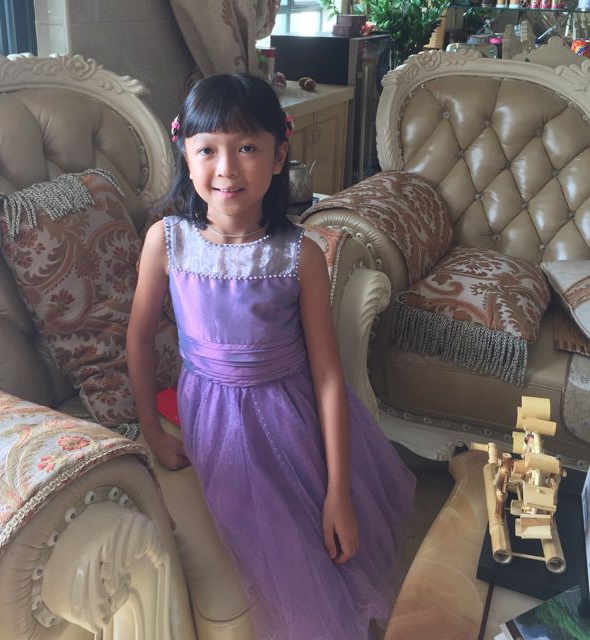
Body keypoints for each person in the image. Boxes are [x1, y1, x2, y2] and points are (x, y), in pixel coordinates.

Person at [127, 72, 415, 640]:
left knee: (311, 543)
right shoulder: (166, 240)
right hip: (211, 415)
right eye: (208, 150)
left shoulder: (300, 254)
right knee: (255, 535)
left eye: (247, 148)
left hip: (289, 415)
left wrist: (339, 492)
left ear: (280, 155)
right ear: (185, 154)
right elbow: (137, 338)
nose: (227, 168)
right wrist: (151, 429)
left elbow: (328, 376)